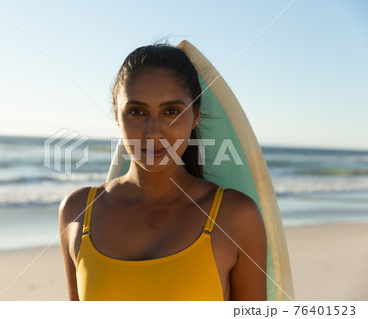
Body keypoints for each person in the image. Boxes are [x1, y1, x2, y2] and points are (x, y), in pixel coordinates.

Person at [59, 43, 267, 301]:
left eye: (171, 111)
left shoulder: (235, 217)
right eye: (136, 112)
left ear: (195, 116)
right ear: (117, 115)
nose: (153, 131)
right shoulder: (77, 211)